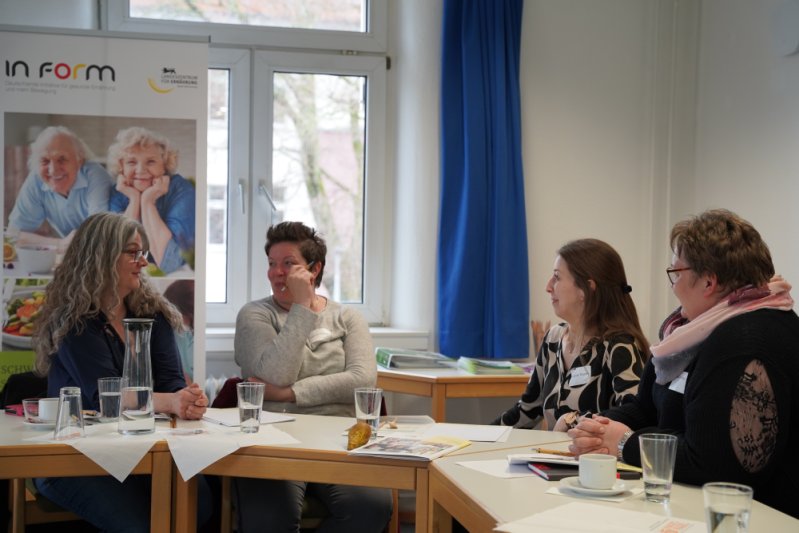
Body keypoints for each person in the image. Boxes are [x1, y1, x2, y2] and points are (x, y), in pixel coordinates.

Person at [567, 209, 799, 518]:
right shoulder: (690, 332)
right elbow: (646, 408)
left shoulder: (744, 340)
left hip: (760, 519)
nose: (673, 285)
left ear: (709, 282)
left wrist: (625, 443)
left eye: (676, 273)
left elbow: (715, 464)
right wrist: (597, 428)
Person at [31, 212, 211, 531]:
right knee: (142, 526)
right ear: (100, 257)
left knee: (199, 507)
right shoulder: (74, 321)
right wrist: (171, 402)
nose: (143, 262)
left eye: (143, 252)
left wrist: (188, 400)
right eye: (132, 252)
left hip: (142, 449)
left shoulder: (153, 313)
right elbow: (105, 398)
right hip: (75, 456)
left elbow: (171, 383)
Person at [233, 221, 392, 532]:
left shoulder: (348, 317)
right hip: (273, 437)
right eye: (272, 264)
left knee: (372, 507)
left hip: (337, 437)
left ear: (314, 269)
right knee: (270, 517)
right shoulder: (254, 315)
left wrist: (289, 394)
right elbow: (276, 373)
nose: (277, 273)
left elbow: (362, 381)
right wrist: (302, 308)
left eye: (288, 264)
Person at [492, 238, 649, 431]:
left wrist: (572, 421)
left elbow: (634, 414)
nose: (548, 287)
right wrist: (478, 435)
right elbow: (527, 411)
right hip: (553, 451)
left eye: (557, 277)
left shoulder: (619, 345)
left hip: (593, 452)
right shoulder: (553, 339)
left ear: (586, 289)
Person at [7, 125, 112, 250]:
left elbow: (99, 233)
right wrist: (59, 244)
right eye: (45, 161)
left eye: (62, 159)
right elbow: (13, 235)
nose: (53, 170)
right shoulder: (36, 179)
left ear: (79, 160)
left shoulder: (95, 175)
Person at [108, 126, 195, 274]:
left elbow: (170, 263)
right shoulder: (119, 192)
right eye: (131, 162)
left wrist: (148, 202)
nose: (140, 170)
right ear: (121, 167)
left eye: (150, 162)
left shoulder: (181, 190)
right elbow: (116, 258)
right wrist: (134, 200)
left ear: (164, 165)